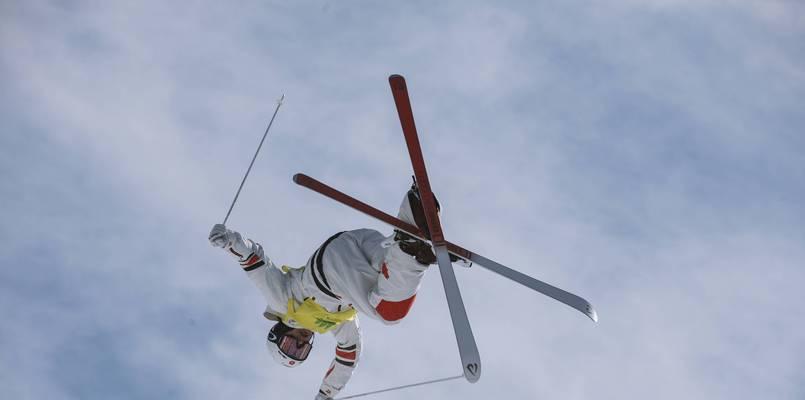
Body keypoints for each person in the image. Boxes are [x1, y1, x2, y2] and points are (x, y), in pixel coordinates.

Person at [208, 182, 446, 399]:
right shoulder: (337, 326)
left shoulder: (283, 303)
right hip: (357, 245)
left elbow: (255, 263)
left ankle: (412, 251)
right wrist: (325, 394)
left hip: (331, 271)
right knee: (386, 277)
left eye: (290, 345)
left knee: (390, 314)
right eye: (301, 351)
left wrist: (230, 241)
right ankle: (413, 214)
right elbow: (347, 359)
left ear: (279, 332)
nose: (301, 343)